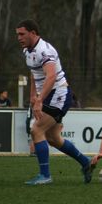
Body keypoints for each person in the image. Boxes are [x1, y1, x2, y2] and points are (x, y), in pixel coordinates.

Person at [16, 19, 92, 185]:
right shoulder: (27, 51)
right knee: (53, 138)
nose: (19, 37)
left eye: (22, 34)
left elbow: (50, 76)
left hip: (59, 94)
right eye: (18, 34)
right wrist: (32, 97)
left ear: (33, 33)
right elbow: (34, 73)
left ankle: (45, 176)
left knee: (36, 130)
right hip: (48, 95)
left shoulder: (45, 50)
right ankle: (86, 162)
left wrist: (39, 100)